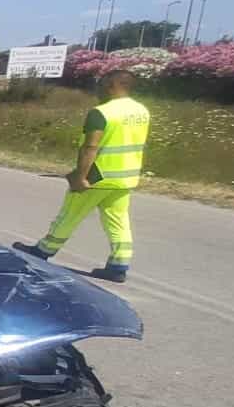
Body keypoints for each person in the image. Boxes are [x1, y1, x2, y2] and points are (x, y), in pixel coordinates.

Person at [15, 68, 149, 283]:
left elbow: (90, 146)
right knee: (118, 221)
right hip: (126, 177)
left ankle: (42, 252)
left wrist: (80, 176)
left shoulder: (102, 112)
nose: (99, 89)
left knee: (70, 215)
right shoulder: (142, 111)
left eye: (102, 84)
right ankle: (119, 265)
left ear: (111, 85)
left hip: (98, 175)